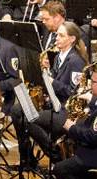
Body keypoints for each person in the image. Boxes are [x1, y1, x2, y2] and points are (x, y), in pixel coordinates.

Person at [12, 21, 88, 162]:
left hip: (65, 110)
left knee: (29, 118)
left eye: (61, 35)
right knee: (16, 110)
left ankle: (55, 155)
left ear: (72, 39)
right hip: (53, 102)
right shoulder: (59, 56)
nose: (56, 38)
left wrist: (52, 81)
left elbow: (73, 92)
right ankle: (27, 158)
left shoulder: (75, 61)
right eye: (56, 35)